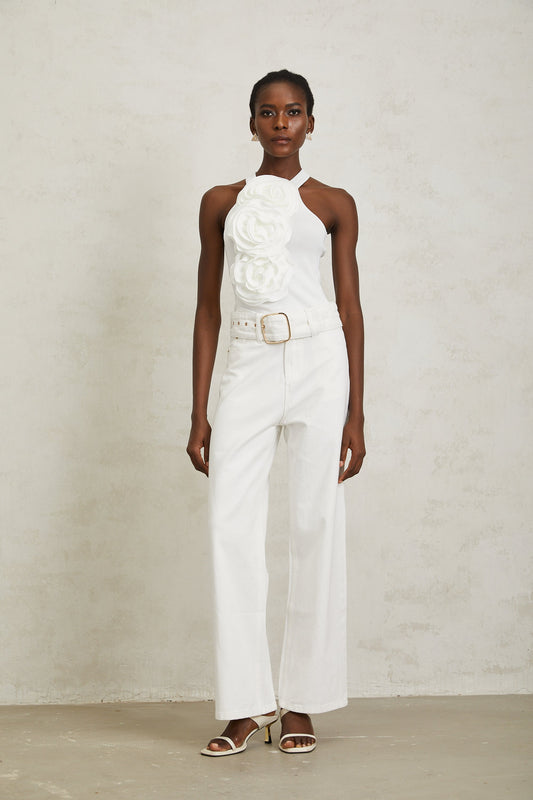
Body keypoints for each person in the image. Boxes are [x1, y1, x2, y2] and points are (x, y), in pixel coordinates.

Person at [187, 69, 365, 757]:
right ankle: (246, 706)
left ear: (311, 123)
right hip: (248, 363)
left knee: (316, 523)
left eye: (293, 113)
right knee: (230, 527)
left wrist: (355, 414)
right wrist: (200, 413)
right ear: (252, 122)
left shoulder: (333, 203)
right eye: (268, 112)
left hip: (320, 362)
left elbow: (349, 308)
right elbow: (207, 309)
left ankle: (301, 703)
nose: (281, 124)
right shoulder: (219, 202)